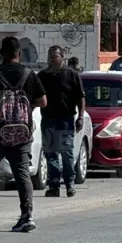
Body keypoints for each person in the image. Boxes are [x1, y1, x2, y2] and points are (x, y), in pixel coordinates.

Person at [0, 35, 47, 232]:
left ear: (1, 54)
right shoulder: (29, 75)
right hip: (22, 132)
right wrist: (23, 108)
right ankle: (27, 215)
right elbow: (43, 102)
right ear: (19, 54)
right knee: (22, 173)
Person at [37, 45, 85, 198]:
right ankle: (54, 186)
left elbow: (81, 97)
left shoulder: (71, 75)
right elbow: (36, 97)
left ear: (62, 57)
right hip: (48, 120)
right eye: (50, 56)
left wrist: (81, 117)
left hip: (66, 120)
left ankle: (69, 184)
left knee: (66, 153)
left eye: (55, 56)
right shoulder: (43, 76)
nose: (52, 59)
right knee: (50, 154)